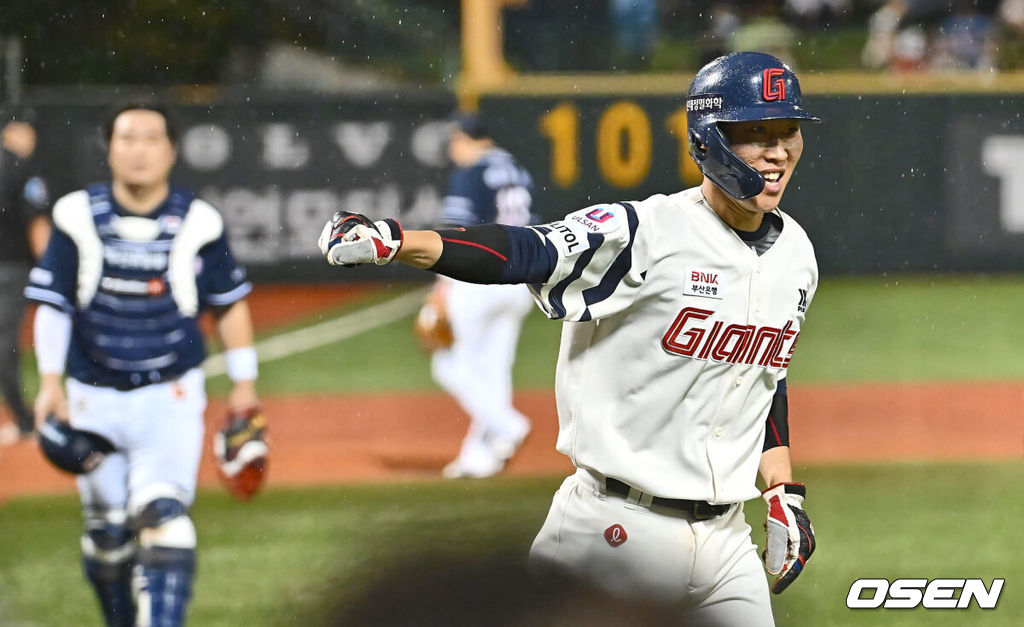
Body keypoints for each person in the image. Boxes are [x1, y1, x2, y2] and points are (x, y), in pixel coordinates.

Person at [318, 51, 818, 625]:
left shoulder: (797, 256)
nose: (777, 151)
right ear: (709, 139)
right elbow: (524, 249)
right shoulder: (643, 233)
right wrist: (398, 239)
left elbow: (763, 374)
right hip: (614, 532)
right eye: (756, 133)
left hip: (729, 546)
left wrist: (782, 490)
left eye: (787, 131)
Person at [26, 102, 261, 626]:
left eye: (152, 138)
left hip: (170, 395)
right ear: (108, 148)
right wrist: (48, 382)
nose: (139, 150)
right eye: (127, 138)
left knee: (165, 518)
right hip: (92, 395)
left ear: (171, 151)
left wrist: (244, 383)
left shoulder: (200, 220)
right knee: (107, 534)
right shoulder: (76, 215)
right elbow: (52, 303)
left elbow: (229, 302)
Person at [416, 112, 535, 479]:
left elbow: (455, 235)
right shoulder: (518, 170)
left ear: (469, 139)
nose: (453, 150)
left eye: (455, 141)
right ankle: (479, 458)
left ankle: (509, 425)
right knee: (493, 369)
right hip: (520, 277)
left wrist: (440, 289)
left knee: (448, 364)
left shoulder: (470, 173)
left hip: (479, 277)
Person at [0, 109, 51, 445]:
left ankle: (22, 418)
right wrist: (50, 271)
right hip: (12, 268)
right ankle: (24, 419)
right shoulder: (24, 169)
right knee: (5, 344)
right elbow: (38, 224)